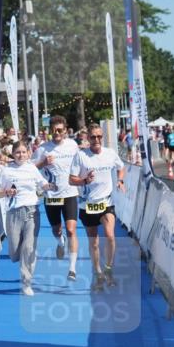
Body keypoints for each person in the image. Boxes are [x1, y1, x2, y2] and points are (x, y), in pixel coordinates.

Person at [0, 139, 57, 295]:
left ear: (28, 153)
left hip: (31, 211)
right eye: (18, 152)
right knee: (15, 251)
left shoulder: (32, 169)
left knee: (28, 248)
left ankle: (26, 283)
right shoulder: (6, 170)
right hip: (14, 213)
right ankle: (22, 257)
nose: (21, 155)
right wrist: (7, 192)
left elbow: (42, 183)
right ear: (13, 154)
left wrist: (49, 186)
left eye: (23, 152)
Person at [70, 124, 126, 291]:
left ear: (103, 138)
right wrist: (84, 180)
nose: (96, 140)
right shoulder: (81, 156)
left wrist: (120, 180)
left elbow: (121, 167)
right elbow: (71, 179)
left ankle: (108, 269)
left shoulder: (110, 154)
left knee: (110, 235)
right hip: (87, 204)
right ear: (87, 138)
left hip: (106, 202)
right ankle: (98, 272)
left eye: (99, 137)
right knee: (93, 243)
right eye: (93, 137)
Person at [34, 115, 81, 280]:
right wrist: (43, 163)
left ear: (65, 130)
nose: (57, 133)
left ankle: (72, 269)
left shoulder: (72, 145)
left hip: (70, 193)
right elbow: (31, 169)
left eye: (60, 130)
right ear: (50, 131)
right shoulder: (42, 149)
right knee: (57, 229)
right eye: (54, 130)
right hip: (52, 195)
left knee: (71, 229)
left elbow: (80, 163)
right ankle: (61, 243)